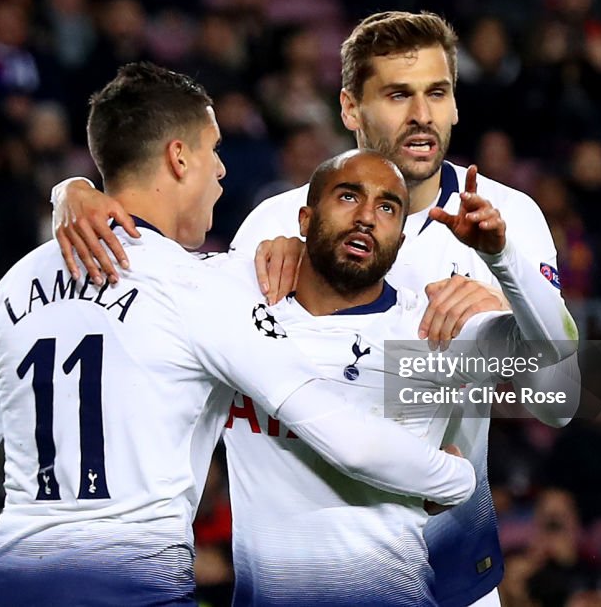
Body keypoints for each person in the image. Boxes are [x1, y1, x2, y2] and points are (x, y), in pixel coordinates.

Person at [0, 63, 478, 607]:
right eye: (214, 150)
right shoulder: (204, 291)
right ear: (179, 157)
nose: (222, 170)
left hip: (5, 583)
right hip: (131, 587)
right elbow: (350, 442)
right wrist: (457, 478)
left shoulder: (16, 283)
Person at [53, 11, 578, 606]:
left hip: (453, 572)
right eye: (397, 95)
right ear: (351, 109)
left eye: (437, 93)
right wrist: (76, 191)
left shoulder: (506, 219)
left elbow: (558, 396)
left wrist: (507, 298)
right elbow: (166, 297)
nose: (422, 116)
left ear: (457, 105)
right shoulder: (274, 227)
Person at [221, 149, 576, 606]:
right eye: (349, 197)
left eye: (388, 207)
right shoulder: (236, 321)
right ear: (304, 220)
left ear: (401, 239)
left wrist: (503, 261)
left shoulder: (430, 337)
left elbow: (562, 395)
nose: (367, 217)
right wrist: (92, 192)